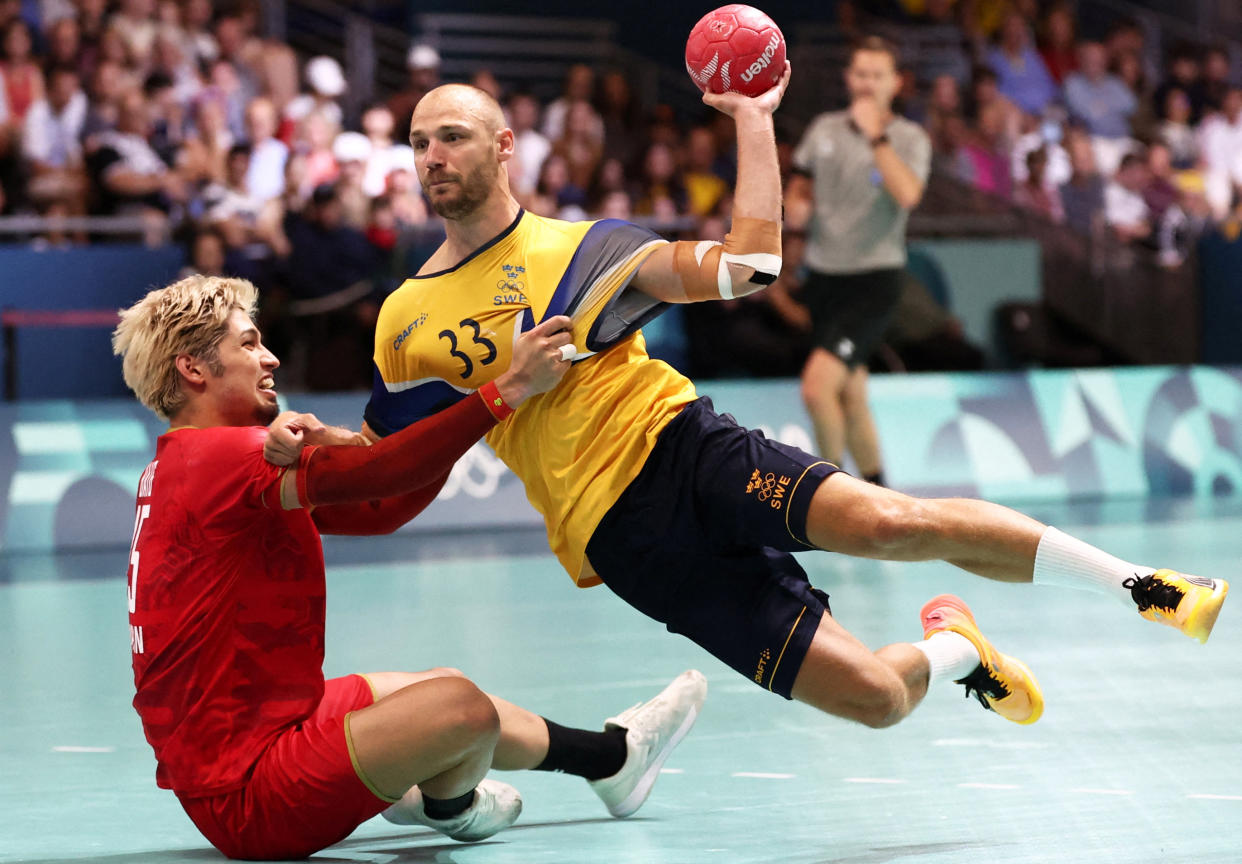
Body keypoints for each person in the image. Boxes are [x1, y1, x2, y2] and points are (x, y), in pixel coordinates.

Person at [284, 61, 1227, 757]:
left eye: (450, 135)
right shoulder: (405, 316)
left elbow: (750, 266)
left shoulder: (590, 252)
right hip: (622, 546)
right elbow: (386, 456)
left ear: (501, 147)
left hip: (687, 452)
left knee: (894, 521)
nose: (430, 155)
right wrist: (312, 442)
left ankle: (1144, 586)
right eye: (416, 141)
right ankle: (956, 649)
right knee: (874, 701)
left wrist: (751, 115)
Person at [113, 275, 706, 861]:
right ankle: (447, 805)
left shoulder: (185, 464)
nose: (268, 357)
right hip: (254, 794)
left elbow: (381, 508)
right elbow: (385, 476)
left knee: (431, 689)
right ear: (194, 369)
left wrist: (379, 429)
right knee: (461, 709)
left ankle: (613, 759)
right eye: (247, 344)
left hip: (261, 725)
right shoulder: (226, 457)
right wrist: (506, 389)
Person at [785, 36, 932, 487]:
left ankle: (831, 496)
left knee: (817, 387)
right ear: (849, 79)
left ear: (895, 83)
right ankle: (878, 490)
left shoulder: (908, 138)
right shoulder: (823, 130)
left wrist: (875, 135)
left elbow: (908, 194)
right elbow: (799, 189)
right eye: (860, 74)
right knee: (851, 393)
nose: (867, 83)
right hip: (825, 277)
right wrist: (797, 207)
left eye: (877, 75)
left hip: (874, 279)